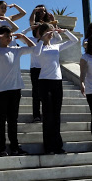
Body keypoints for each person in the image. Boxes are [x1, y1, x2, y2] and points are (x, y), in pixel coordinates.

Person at [0, 26, 36, 156]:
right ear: (0, 36)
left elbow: (33, 48)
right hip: (1, 91)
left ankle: (15, 147)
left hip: (15, 89)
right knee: (1, 121)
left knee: (13, 120)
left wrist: (23, 37)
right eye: (6, 36)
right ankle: (1, 148)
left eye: (10, 36)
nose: (8, 38)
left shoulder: (16, 50)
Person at [33, 23, 79, 154]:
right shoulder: (39, 46)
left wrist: (64, 31)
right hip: (44, 82)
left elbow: (74, 41)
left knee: (56, 115)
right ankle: (48, 147)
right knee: (48, 115)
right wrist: (43, 39)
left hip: (57, 82)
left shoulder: (56, 46)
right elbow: (36, 53)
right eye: (48, 31)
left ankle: (58, 145)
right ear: (42, 33)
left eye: (51, 31)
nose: (50, 33)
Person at [23, 24, 62, 123]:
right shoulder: (32, 40)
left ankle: (47, 114)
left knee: (47, 96)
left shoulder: (51, 41)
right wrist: (30, 28)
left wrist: (55, 30)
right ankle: (36, 115)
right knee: (36, 93)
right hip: (35, 68)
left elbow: (59, 38)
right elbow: (21, 36)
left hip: (47, 69)